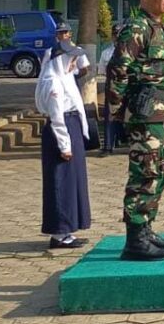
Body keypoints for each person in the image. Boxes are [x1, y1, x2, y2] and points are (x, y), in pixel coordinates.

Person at [108, 0, 164, 261]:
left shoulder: (158, 28)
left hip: (162, 114)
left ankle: (147, 226)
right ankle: (135, 238)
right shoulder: (136, 28)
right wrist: (117, 113)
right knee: (144, 173)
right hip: (144, 116)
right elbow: (118, 71)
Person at [36, 26, 91, 249]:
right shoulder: (53, 81)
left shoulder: (63, 76)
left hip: (71, 126)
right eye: (70, 60)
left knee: (72, 181)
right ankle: (59, 234)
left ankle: (69, 228)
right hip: (62, 131)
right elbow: (57, 118)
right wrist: (65, 145)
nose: (73, 65)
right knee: (60, 182)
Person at [99, 24, 125, 157]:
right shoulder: (106, 53)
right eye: (116, 35)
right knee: (109, 117)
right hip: (112, 88)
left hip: (128, 88)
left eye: (120, 34)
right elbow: (103, 72)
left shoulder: (131, 51)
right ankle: (108, 146)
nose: (117, 37)